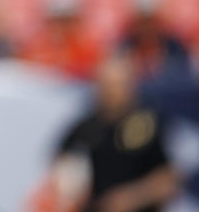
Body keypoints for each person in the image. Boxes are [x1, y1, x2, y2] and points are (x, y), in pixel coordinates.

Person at [50, 54, 179, 212]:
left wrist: (131, 197)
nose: (111, 92)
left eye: (118, 85)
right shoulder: (85, 128)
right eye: (107, 85)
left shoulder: (147, 126)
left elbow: (168, 181)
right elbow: (61, 165)